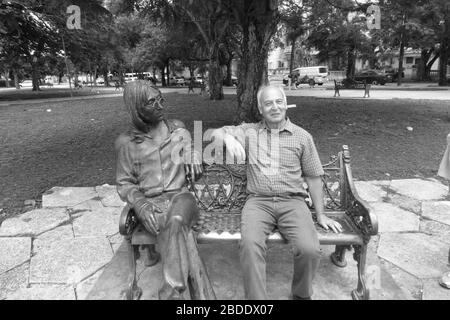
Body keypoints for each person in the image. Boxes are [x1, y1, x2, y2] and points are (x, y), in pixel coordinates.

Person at [206, 85, 343, 300]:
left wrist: (321, 214)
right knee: (250, 246)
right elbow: (213, 133)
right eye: (268, 103)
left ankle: (300, 295)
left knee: (309, 249)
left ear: (286, 104)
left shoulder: (302, 137)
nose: (274, 107)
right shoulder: (249, 132)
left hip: (293, 202)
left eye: (279, 101)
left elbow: (314, 177)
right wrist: (228, 138)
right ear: (260, 109)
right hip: (258, 202)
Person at [115, 80, 213, 299]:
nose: (160, 106)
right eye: (152, 102)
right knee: (180, 232)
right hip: (151, 205)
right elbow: (124, 183)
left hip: (181, 198)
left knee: (177, 219)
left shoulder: (177, 129)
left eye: (161, 99)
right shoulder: (126, 143)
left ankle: (170, 291)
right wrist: (139, 204)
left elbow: (189, 146)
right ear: (137, 107)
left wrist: (193, 154)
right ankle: (200, 295)